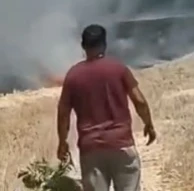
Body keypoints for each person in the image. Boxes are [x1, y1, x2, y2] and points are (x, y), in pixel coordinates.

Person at [57, 24, 157, 191]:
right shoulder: (118, 68)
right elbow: (139, 100)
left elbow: (63, 114)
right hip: (121, 144)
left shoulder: (73, 75)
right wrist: (149, 124)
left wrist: (62, 142)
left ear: (83, 46)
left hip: (91, 149)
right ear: (104, 44)